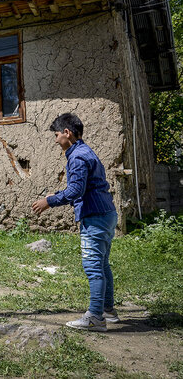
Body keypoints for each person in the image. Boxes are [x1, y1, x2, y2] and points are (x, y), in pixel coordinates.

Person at [31, 113, 119, 332]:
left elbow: (76, 190)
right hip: (106, 212)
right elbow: (82, 188)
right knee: (102, 264)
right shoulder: (85, 152)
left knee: (93, 267)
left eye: (57, 134)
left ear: (67, 133)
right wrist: (61, 193)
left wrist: (49, 201)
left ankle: (95, 318)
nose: (55, 140)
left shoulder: (77, 157)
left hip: (95, 216)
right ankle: (107, 309)